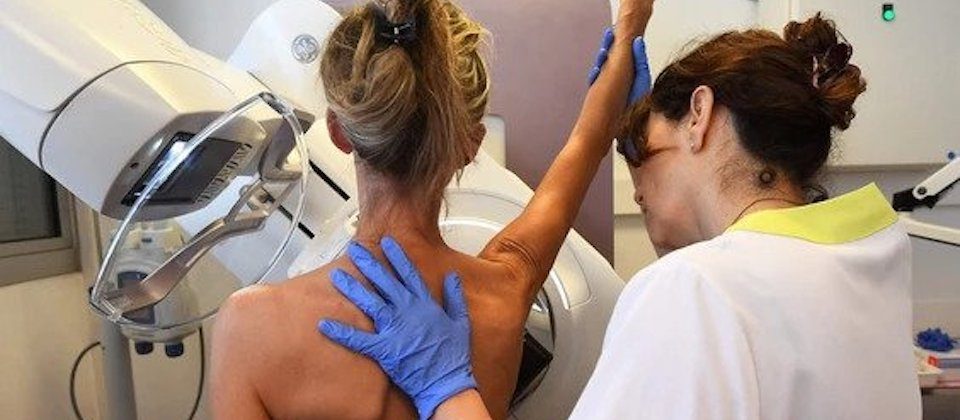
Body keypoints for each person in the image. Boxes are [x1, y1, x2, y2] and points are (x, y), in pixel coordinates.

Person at [320, 13, 924, 420]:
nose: (637, 190)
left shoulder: (696, 290)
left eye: (644, 151)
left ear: (700, 114)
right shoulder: (866, 260)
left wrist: (446, 388)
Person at [210, 0, 653, 418]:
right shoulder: (503, 292)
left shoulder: (250, 327)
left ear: (339, 132)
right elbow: (587, 142)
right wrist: (632, 21)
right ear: (470, 146)